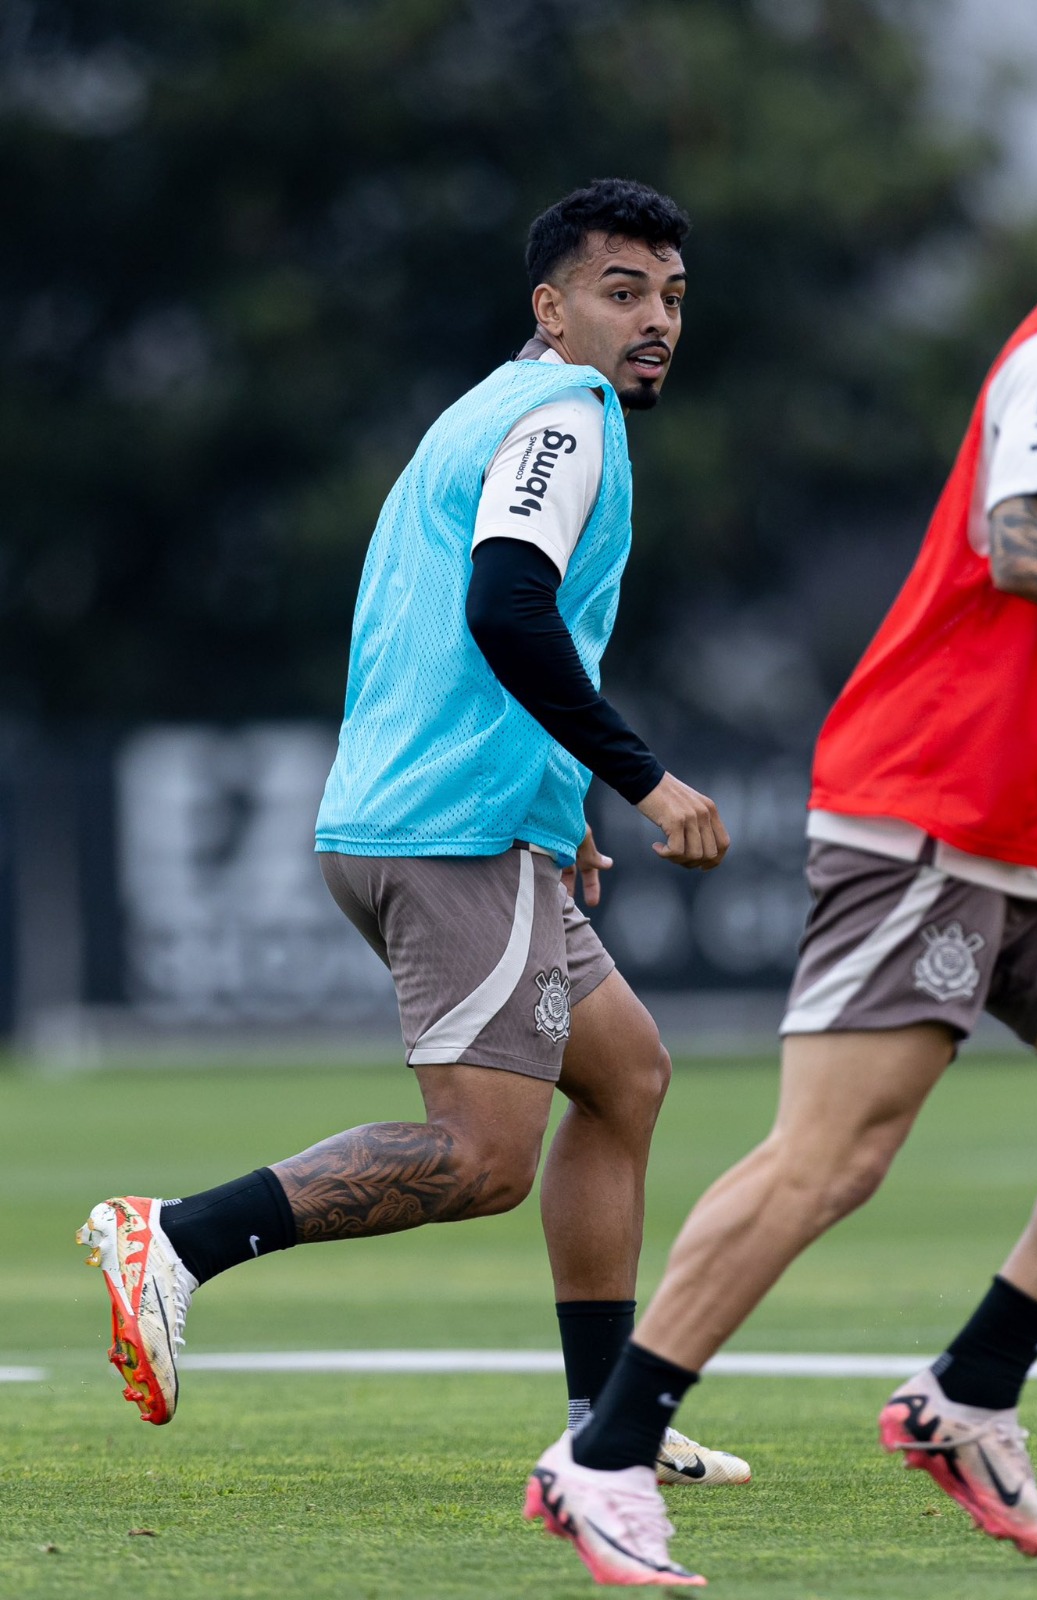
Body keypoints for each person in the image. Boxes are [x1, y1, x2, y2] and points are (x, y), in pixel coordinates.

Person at [524, 70, 1037, 1586]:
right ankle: (608, 1452)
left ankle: (965, 1396)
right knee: (829, 1161)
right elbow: (1023, 541)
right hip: (925, 811)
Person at [77, 177, 752, 1490]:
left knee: (626, 1079)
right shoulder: (567, 411)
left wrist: (560, 798)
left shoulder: (483, 409)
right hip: (453, 838)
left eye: (672, 296)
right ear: (551, 309)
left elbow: (446, 623)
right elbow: (507, 605)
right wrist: (637, 777)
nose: (654, 320)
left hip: (461, 819)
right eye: (622, 294)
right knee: (483, 1160)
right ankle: (178, 1238)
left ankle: (607, 1424)